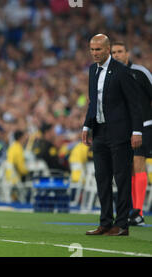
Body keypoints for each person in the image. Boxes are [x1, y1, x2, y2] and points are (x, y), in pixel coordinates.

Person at [83, 34, 143, 236]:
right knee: (102, 178)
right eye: (92, 49)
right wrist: (86, 126)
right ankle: (105, 222)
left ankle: (122, 224)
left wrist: (137, 131)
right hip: (99, 132)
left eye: (98, 49)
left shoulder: (122, 72)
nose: (94, 53)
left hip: (119, 133)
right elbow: (93, 102)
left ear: (108, 49)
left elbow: (134, 104)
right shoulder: (92, 70)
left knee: (122, 178)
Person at [111, 41, 152, 226]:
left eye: (120, 51)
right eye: (113, 52)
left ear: (127, 53)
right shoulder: (111, 76)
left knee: (138, 162)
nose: (117, 55)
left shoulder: (140, 72)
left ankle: (138, 212)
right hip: (123, 129)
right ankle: (132, 210)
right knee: (126, 168)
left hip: (144, 125)